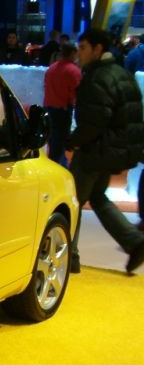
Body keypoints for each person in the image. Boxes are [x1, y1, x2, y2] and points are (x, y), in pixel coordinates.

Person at [67, 28, 144, 274]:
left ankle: (69, 256)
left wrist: (73, 140)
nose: (79, 53)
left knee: (71, 201)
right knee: (98, 198)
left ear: (98, 49)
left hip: (93, 150)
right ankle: (135, 242)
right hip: (112, 151)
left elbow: (95, 121)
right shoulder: (122, 73)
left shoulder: (96, 77)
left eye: (83, 48)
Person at [43, 42, 81, 167]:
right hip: (63, 110)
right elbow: (76, 93)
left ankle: (58, 164)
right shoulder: (73, 70)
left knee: (52, 141)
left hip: (48, 108)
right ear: (72, 53)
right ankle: (57, 168)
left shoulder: (52, 68)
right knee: (59, 144)